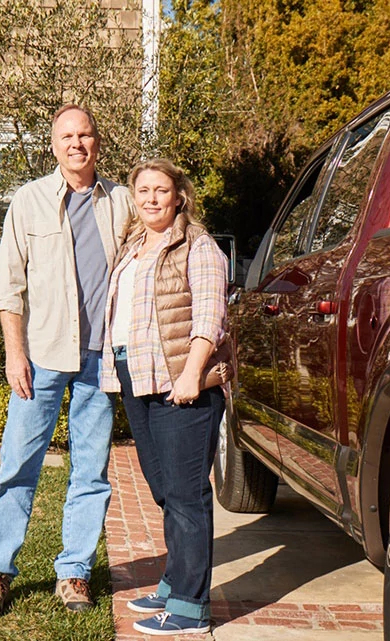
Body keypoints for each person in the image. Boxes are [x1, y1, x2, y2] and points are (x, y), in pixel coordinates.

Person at [0, 105, 134, 618]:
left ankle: (75, 573)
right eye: (67, 136)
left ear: (98, 143)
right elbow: (9, 284)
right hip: (41, 356)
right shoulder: (29, 201)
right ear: (54, 145)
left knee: (91, 470)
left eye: (85, 134)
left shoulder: (125, 203)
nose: (77, 144)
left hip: (100, 360)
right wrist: (13, 352)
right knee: (18, 463)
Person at [100, 158, 229, 636]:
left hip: (181, 383)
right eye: (144, 190)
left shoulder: (198, 246)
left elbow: (210, 315)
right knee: (164, 490)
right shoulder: (134, 246)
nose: (152, 198)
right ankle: (175, 582)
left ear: (179, 197)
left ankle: (192, 609)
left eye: (161, 190)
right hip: (138, 377)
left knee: (186, 495)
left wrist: (194, 372)